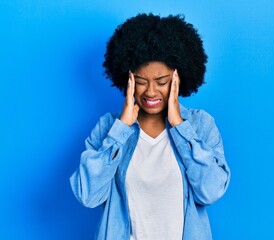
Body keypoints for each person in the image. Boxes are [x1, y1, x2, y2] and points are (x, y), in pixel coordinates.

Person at [70, 13, 230, 240]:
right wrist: (121, 129)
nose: (151, 92)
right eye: (141, 82)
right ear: (128, 80)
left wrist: (179, 125)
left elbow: (210, 192)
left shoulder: (201, 125)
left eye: (162, 82)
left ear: (178, 78)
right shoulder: (109, 127)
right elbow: (88, 195)